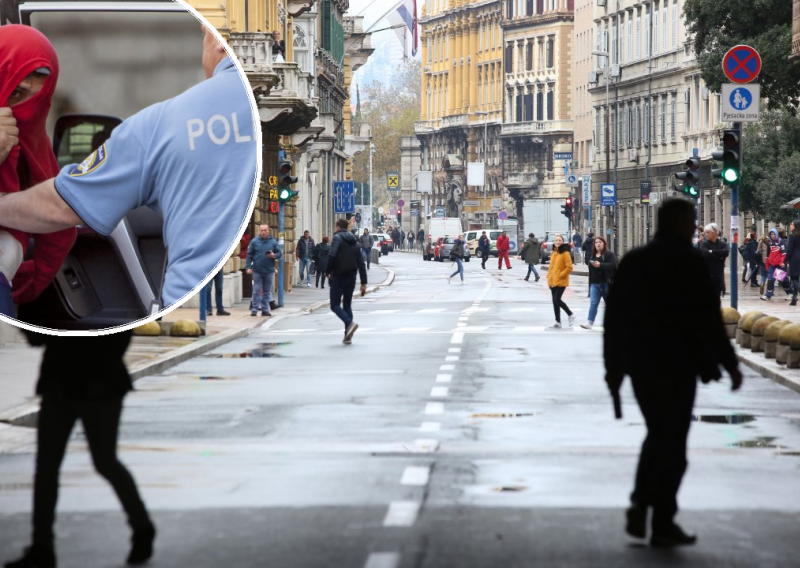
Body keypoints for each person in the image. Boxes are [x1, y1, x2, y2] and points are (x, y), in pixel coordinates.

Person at [0, 24, 257, 309]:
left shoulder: (160, 123)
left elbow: (63, 206)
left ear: (220, 43)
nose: (21, 111)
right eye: (13, 93)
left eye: (203, 35)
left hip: (190, 306)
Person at [604, 198, 742, 548]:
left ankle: (643, 506)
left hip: (642, 366)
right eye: (692, 221)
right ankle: (658, 517)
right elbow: (709, 320)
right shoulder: (690, 262)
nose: (695, 227)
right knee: (671, 444)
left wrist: (614, 370)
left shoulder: (634, 261)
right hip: (679, 366)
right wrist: (729, 364)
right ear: (680, 224)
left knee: (658, 435)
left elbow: (615, 320)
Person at [5, 331, 156, 568]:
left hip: (99, 384)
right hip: (62, 381)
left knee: (103, 461)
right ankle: (42, 546)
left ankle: (142, 527)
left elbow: (121, 335)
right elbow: (37, 336)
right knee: (48, 467)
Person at [0, 25, 77, 319]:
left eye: (38, 96)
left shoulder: (35, 144)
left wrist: (23, 284)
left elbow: (59, 223)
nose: (26, 108)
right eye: (15, 92)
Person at [326, 219, 367, 344]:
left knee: (334, 304)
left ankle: (349, 323)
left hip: (338, 276)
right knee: (347, 305)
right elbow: (361, 263)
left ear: (338, 227)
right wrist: (363, 282)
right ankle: (347, 335)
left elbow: (332, 255)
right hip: (352, 276)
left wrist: (327, 271)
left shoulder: (337, 238)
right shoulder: (354, 241)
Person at [246, 225, 281, 317]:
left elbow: (279, 253)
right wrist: (248, 267)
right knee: (256, 290)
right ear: (259, 231)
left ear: (268, 231)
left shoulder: (273, 242)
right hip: (257, 270)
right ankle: (254, 309)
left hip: (269, 270)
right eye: (261, 230)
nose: (263, 232)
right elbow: (249, 255)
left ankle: (265, 310)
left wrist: (273, 255)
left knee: (267, 291)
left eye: (265, 230)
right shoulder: (254, 241)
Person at [581, 236, 616, 330]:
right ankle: (589, 322)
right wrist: (590, 287)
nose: (598, 244)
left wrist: (600, 265)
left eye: (600, 242)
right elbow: (591, 273)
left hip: (606, 283)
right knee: (593, 303)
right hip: (595, 284)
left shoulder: (609, 254)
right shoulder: (592, 255)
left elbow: (613, 265)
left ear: (604, 243)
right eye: (596, 242)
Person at [547, 234, 574, 328]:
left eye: (559, 240)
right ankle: (558, 321)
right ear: (554, 242)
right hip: (553, 280)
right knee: (554, 302)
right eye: (556, 240)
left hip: (561, 280)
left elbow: (569, 267)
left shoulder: (565, 252)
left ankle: (570, 314)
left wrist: (561, 275)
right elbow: (551, 267)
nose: (558, 242)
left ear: (562, 242)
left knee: (557, 299)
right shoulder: (554, 252)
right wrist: (549, 278)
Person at [698, 223, 729, 300]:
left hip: (718, 276)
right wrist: (719, 256)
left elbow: (726, 252)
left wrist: (712, 251)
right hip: (707, 276)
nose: (706, 234)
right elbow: (705, 254)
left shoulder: (722, 244)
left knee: (717, 299)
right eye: (706, 232)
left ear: (714, 232)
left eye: (708, 232)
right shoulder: (704, 244)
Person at [761, 229, 791, 301]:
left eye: (774, 234)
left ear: (776, 234)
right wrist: (767, 264)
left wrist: (782, 262)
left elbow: (784, 254)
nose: (773, 236)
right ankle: (768, 295)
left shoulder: (781, 242)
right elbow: (768, 255)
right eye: (771, 234)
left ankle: (791, 293)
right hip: (772, 265)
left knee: (782, 280)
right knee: (770, 279)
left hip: (779, 265)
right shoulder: (770, 244)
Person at [784, 220, 800, 306]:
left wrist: (785, 260)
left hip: (794, 259)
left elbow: (789, 250)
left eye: (792, 224)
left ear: (795, 226)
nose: (790, 226)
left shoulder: (792, 236)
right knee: (796, 278)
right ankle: (794, 299)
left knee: (794, 278)